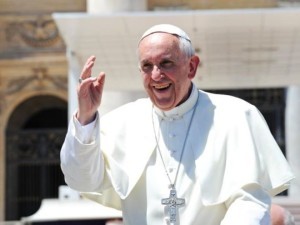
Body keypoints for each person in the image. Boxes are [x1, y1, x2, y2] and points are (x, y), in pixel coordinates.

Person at [60, 24, 295, 225]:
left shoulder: (236, 116)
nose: (156, 75)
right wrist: (86, 117)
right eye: (146, 66)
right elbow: (81, 180)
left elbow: (250, 203)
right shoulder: (122, 122)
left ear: (191, 66)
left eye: (166, 63)